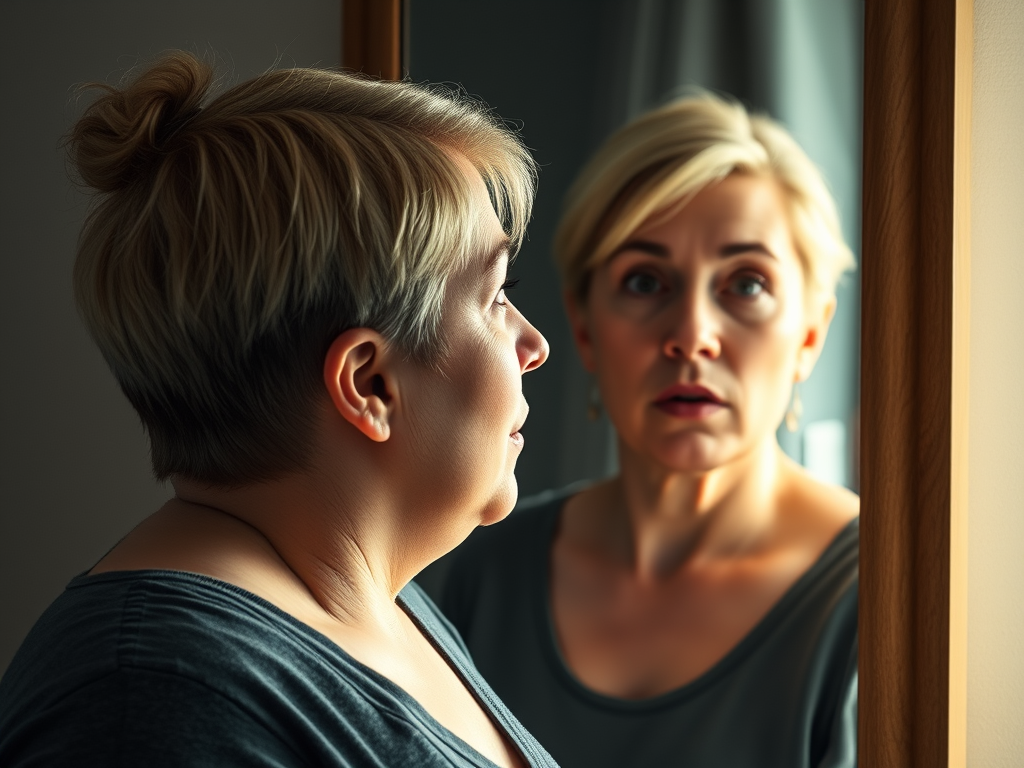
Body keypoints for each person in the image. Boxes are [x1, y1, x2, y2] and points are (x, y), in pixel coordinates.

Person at [0, 51, 556, 768]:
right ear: (369, 385)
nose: (534, 345)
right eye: (496, 298)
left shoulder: (376, 602)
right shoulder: (152, 701)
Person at [433, 94, 859, 768]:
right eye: (644, 281)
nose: (692, 337)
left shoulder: (877, 593)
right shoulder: (483, 575)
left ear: (810, 333)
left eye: (746, 285)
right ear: (583, 327)